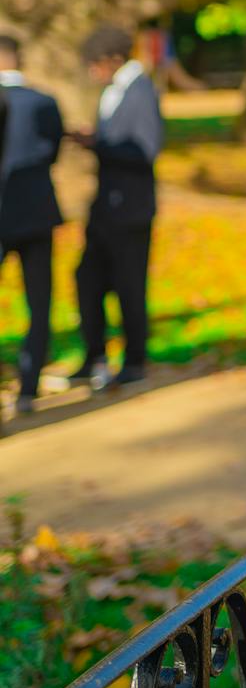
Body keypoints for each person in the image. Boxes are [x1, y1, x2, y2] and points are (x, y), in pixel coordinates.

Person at [70, 26, 164, 391]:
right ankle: (95, 354)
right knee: (88, 279)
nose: (92, 72)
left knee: (129, 285)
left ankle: (135, 360)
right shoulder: (116, 90)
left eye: (94, 64)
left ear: (111, 60)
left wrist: (96, 145)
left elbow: (145, 150)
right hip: (106, 206)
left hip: (131, 208)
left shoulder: (139, 90)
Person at [1, 36, 67, 415]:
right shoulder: (43, 102)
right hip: (37, 214)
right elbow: (53, 153)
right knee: (38, 301)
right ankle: (28, 387)